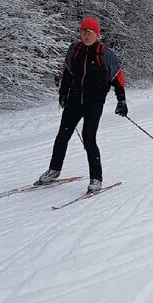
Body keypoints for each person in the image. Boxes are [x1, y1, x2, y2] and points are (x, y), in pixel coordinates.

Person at [36, 17, 127, 193]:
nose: (86, 35)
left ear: (97, 34)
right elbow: (68, 73)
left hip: (94, 103)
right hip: (75, 100)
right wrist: (63, 93)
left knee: (88, 138)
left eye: (89, 32)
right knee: (62, 136)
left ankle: (96, 178)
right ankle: (54, 170)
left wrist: (121, 100)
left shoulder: (105, 54)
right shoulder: (74, 50)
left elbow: (117, 78)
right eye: (83, 31)